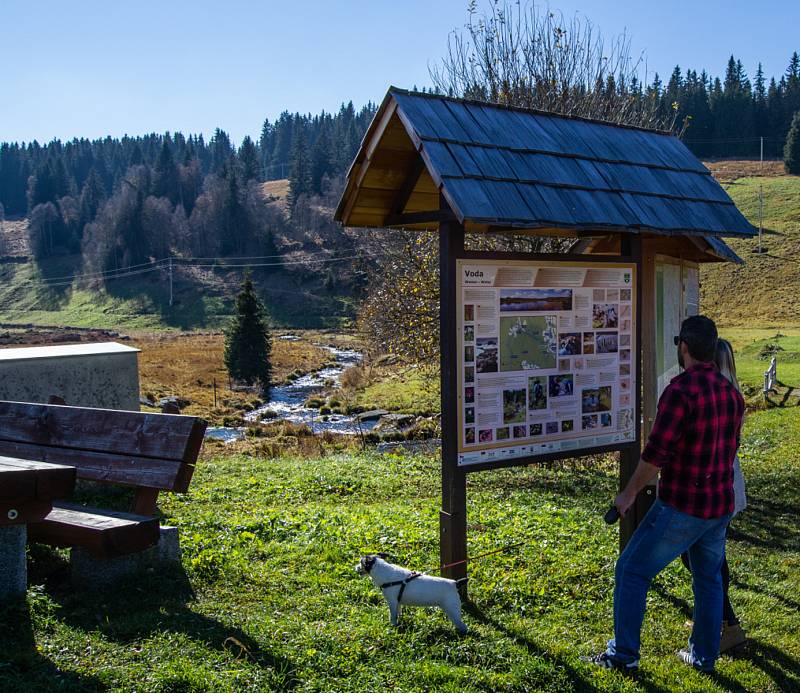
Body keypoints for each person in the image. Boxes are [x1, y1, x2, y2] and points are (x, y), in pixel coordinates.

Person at [584, 316, 745, 676]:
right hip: (719, 505)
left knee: (631, 571)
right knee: (708, 579)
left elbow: (655, 455)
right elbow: (731, 449)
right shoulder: (731, 394)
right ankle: (703, 656)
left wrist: (627, 495)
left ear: (683, 348)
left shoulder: (680, 392)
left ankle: (623, 654)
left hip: (683, 506)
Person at [679, 338, 747, 652]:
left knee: (708, 560)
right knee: (706, 558)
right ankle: (713, 616)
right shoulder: (731, 395)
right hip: (723, 485)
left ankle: (727, 623)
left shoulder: (720, 395)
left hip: (716, 486)